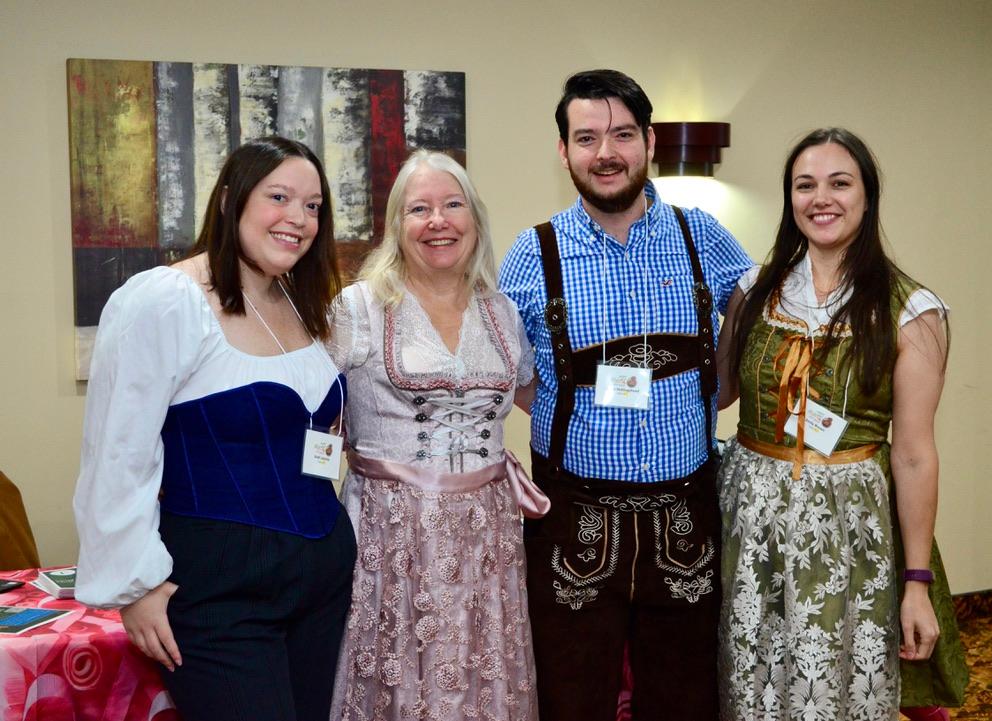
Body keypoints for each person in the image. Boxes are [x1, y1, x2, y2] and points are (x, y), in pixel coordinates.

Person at [499, 69, 753, 721]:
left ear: (650, 140)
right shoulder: (531, 254)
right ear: (563, 151)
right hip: (574, 519)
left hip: (684, 516)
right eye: (586, 138)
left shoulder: (704, 237)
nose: (605, 153)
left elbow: (763, 312)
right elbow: (512, 373)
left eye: (621, 135)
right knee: (570, 698)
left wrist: (722, 384)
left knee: (685, 699)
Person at [73, 137, 357, 721]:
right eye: (279, 197)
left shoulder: (300, 302)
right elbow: (118, 452)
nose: (298, 218)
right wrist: (136, 586)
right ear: (230, 199)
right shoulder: (166, 299)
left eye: (312, 206)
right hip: (220, 593)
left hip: (321, 585)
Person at [715, 128, 969, 721]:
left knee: (831, 684)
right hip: (749, 522)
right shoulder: (754, 290)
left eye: (839, 183)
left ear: (867, 195)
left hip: (848, 530)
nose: (821, 198)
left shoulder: (911, 311)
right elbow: (717, 393)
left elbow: (913, 455)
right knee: (748, 682)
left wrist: (916, 583)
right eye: (805, 185)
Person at [327, 149, 547, 721]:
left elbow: (534, 396)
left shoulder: (503, 312)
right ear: (396, 225)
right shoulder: (358, 308)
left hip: (489, 533)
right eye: (419, 209)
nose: (438, 221)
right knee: (397, 680)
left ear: (474, 218)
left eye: (452, 205)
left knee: (485, 679)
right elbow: (308, 415)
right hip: (391, 532)